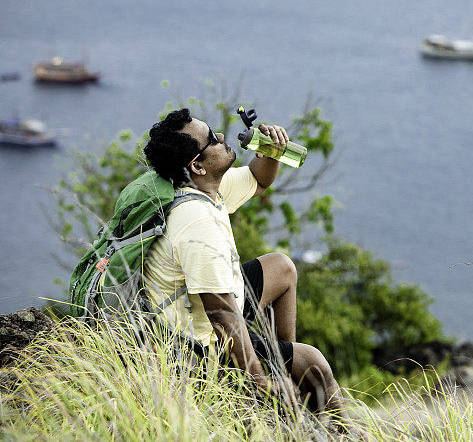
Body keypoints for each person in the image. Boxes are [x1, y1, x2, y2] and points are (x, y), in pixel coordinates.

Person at [141, 108, 347, 420]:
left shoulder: (203, 187)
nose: (221, 137)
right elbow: (221, 314)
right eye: (211, 139)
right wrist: (260, 383)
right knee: (313, 361)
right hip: (193, 341)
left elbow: (258, 179)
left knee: (282, 267)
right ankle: (340, 432)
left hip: (203, 304)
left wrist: (272, 151)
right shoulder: (196, 223)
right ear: (197, 165)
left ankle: (283, 366)